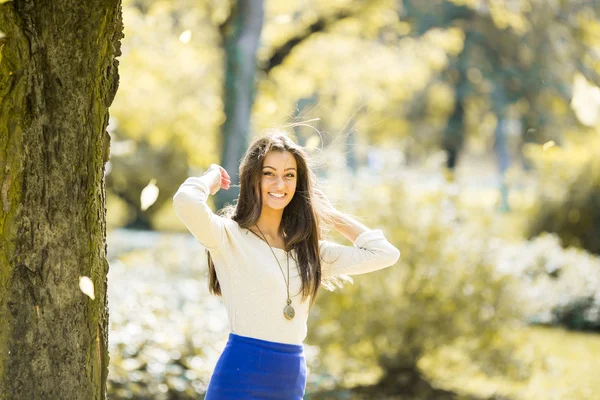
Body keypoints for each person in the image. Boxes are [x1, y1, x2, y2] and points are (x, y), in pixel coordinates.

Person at [172, 132, 400, 400]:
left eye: (289, 175)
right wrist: (211, 177)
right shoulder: (228, 237)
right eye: (269, 173)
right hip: (238, 378)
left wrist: (329, 214)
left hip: (289, 381)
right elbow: (186, 201)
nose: (280, 183)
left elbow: (384, 253)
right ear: (253, 177)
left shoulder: (310, 252)